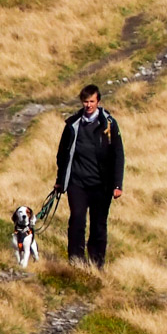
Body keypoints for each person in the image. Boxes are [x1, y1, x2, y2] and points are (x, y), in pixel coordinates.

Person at [53, 84, 125, 267]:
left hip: (102, 185)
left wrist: (117, 185)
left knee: (98, 225)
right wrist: (61, 181)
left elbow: (118, 155)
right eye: (85, 101)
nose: (88, 105)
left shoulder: (109, 123)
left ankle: (96, 264)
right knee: (77, 220)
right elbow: (63, 155)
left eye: (92, 101)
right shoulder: (72, 125)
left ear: (98, 101)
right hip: (77, 183)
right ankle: (76, 262)